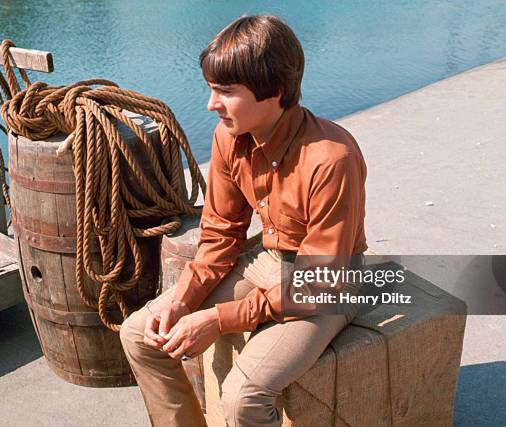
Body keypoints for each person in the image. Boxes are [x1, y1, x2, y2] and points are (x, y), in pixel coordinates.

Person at [120, 14, 367, 427]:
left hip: (331, 284)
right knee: (139, 335)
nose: (211, 104)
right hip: (268, 262)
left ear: (276, 91)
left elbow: (319, 282)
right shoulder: (228, 137)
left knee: (243, 398)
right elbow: (220, 233)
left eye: (225, 92)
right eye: (212, 89)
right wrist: (184, 301)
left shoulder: (332, 158)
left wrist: (219, 319)